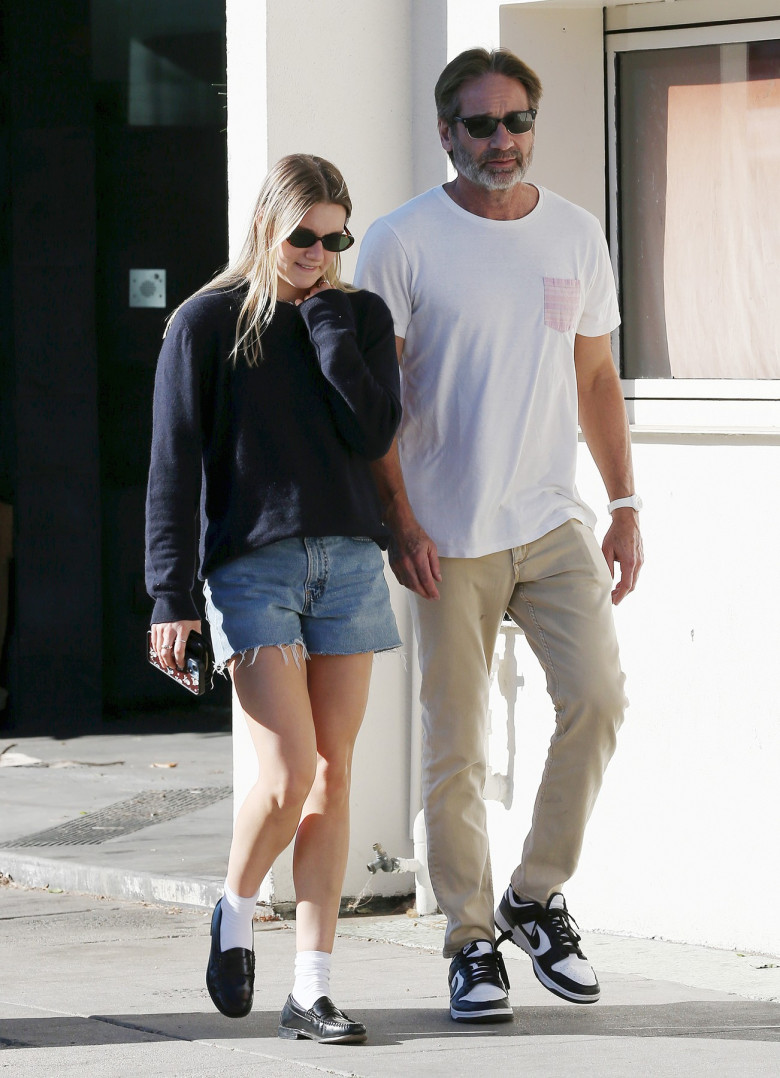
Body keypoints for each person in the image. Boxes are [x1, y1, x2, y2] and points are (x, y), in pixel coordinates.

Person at [355, 48, 643, 1024]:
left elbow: (596, 379)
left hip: (554, 520)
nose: (502, 140)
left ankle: (535, 893)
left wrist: (627, 503)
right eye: (480, 125)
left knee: (598, 699)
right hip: (449, 531)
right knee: (457, 748)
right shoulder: (401, 241)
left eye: (516, 121)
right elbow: (375, 404)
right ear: (447, 133)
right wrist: (398, 521)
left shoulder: (574, 233)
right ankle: (471, 939)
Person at [145, 154, 402, 1044]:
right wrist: (167, 597)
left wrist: (329, 321)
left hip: (349, 565)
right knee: (289, 773)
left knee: (334, 777)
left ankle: (312, 986)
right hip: (252, 570)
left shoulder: (358, 315)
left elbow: (374, 431)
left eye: (335, 238)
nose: (318, 252)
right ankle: (235, 904)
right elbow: (173, 467)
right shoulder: (206, 321)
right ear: (266, 225)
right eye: (303, 236)